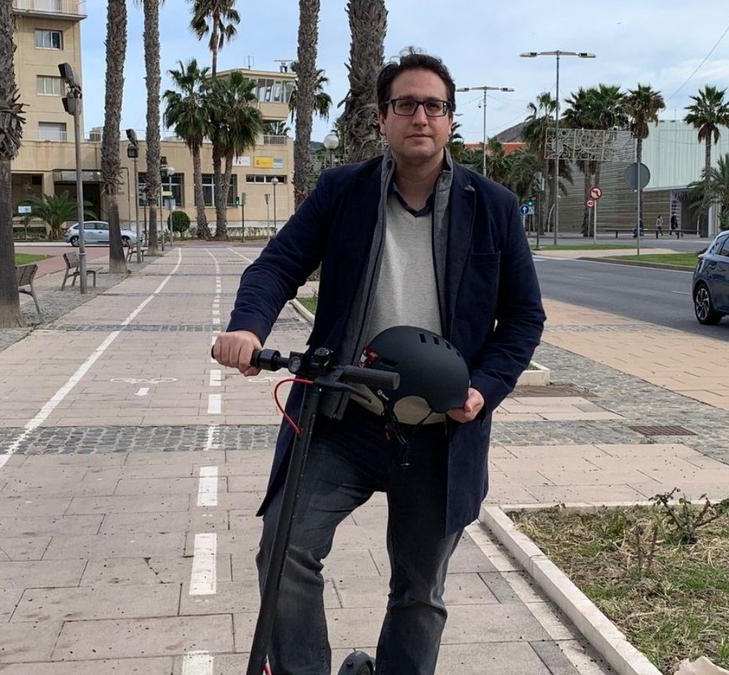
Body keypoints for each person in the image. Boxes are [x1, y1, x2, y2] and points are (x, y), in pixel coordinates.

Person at [212, 50, 546, 674]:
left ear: (451, 120)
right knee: (284, 550)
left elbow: (524, 318)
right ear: (382, 118)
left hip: (443, 432)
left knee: (419, 595)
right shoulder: (344, 193)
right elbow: (277, 265)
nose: (420, 116)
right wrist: (246, 326)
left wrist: (482, 389)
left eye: (434, 106)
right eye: (405, 104)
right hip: (343, 419)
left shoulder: (492, 207)